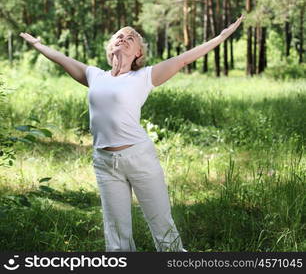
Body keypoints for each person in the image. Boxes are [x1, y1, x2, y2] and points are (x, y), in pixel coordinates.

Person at [19, 14, 244, 252]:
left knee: (162, 225)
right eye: (119, 36)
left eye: (131, 37)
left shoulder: (144, 76)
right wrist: (38, 45)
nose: (124, 38)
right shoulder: (95, 75)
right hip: (104, 162)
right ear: (111, 46)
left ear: (138, 52)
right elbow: (62, 59)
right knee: (116, 235)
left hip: (139, 158)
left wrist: (221, 37)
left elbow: (182, 59)